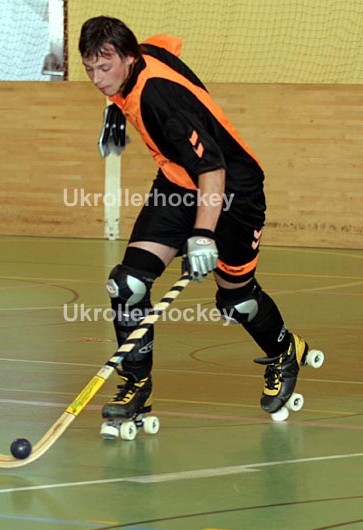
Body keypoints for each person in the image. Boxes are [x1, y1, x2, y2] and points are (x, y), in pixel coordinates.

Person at [78, 16, 322, 431]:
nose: (98, 79)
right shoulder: (142, 55)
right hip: (178, 182)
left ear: (129, 58)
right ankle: (136, 385)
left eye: (105, 69)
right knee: (128, 284)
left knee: (237, 301)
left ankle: (285, 351)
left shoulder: (160, 102)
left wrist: (203, 235)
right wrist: (114, 106)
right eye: (90, 70)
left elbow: (213, 168)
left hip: (233, 191)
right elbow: (166, 45)